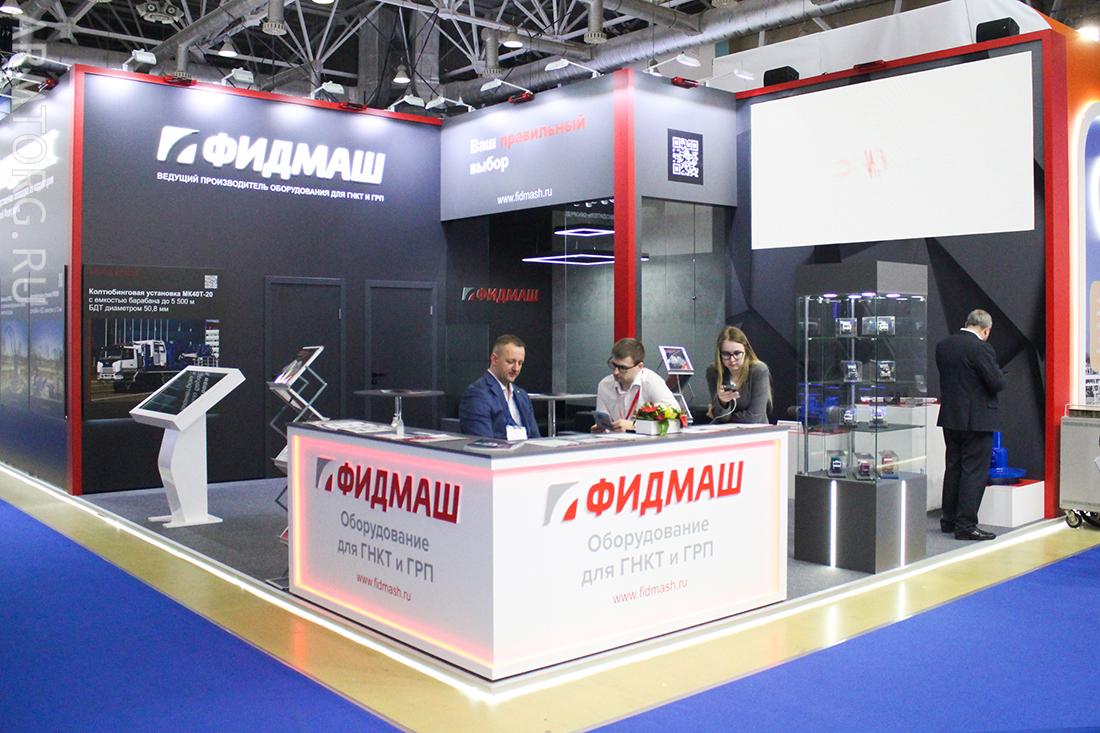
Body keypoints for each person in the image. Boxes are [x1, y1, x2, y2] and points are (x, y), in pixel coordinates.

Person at [935, 309, 1006, 541]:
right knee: (973, 472)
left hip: (951, 418)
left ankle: (948, 519)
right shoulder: (981, 348)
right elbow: (996, 383)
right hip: (977, 420)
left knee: (953, 467)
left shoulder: (944, 346)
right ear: (986, 330)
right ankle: (966, 525)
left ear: (966, 323)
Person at [459, 334, 540, 440]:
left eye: (520, 363)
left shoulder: (522, 396)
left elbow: (536, 439)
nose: (516, 368)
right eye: (510, 362)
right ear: (494, 359)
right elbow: (483, 442)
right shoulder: (477, 394)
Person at [594, 338, 677, 432]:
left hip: (645, 440)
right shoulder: (604, 385)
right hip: (615, 439)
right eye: (613, 365)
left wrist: (634, 426)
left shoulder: (652, 381)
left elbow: (675, 420)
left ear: (640, 366)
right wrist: (601, 430)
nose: (616, 372)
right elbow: (604, 423)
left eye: (623, 368)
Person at [706, 326, 772, 425]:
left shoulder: (758, 370)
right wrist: (723, 403)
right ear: (719, 354)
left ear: (746, 351)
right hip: (725, 431)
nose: (732, 359)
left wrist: (721, 415)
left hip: (756, 430)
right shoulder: (713, 372)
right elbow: (721, 417)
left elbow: (754, 417)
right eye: (726, 354)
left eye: (737, 353)